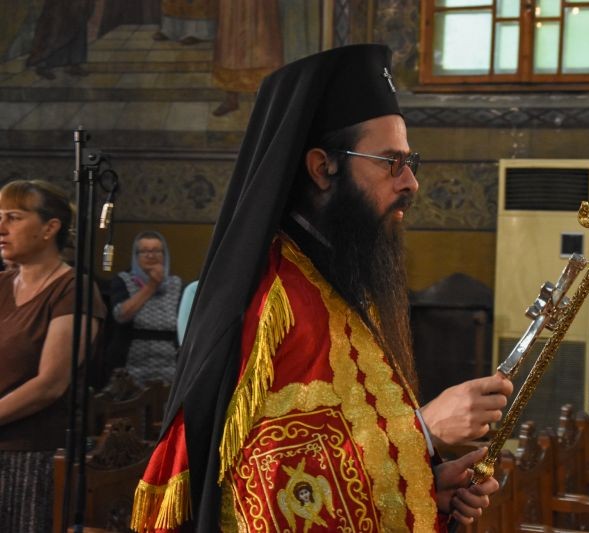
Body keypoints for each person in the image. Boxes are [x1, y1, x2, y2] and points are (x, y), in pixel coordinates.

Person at [130, 44, 512, 532]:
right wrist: (423, 429)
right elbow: (267, 490)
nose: (411, 183)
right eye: (390, 162)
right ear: (322, 167)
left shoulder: (336, 277)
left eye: (410, 161)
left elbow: (339, 460)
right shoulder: (276, 300)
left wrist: (421, 482)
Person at [0, 179, 105, 533]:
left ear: (50, 228)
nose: (1, 228)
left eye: (14, 217)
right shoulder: (2, 285)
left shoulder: (74, 289)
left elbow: (50, 384)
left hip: (32, 455)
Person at [109, 231, 182, 385]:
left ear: (164, 255)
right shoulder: (123, 280)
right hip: (130, 365)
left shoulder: (176, 284)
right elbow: (121, 315)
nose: (151, 256)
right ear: (136, 256)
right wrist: (151, 286)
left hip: (170, 366)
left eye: (156, 251)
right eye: (144, 251)